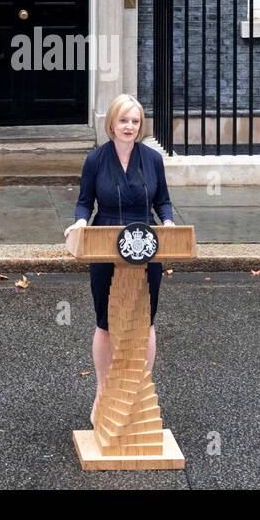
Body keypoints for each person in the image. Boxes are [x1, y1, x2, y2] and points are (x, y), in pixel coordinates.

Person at [64, 94, 175, 425]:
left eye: (136, 121)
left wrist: (168, 224)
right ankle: (103, 392)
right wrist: (80, 223)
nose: (130, 127)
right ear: (111, 123)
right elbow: (85, 202)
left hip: (146, 243)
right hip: (105, 242)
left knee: (145, 319)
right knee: (106, 323)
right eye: (124, 120)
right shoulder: (95, 160)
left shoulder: (152, 159)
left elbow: (164, 202)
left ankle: (139, 391)